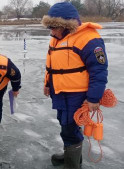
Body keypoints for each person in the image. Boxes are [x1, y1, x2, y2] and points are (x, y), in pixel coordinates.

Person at [41, 2, 108, 169]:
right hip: (59, 92)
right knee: (64, 123)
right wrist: (47, 83)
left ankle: (72, 165)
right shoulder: (55, 40)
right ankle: (70, 155)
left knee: (70, 127)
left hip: (77, 94)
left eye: (55, 27)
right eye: (50, 27)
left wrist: (93, 98)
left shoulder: (89, 39)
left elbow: (99, 70)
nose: (52, 31)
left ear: (67, 26)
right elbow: (51, 65)